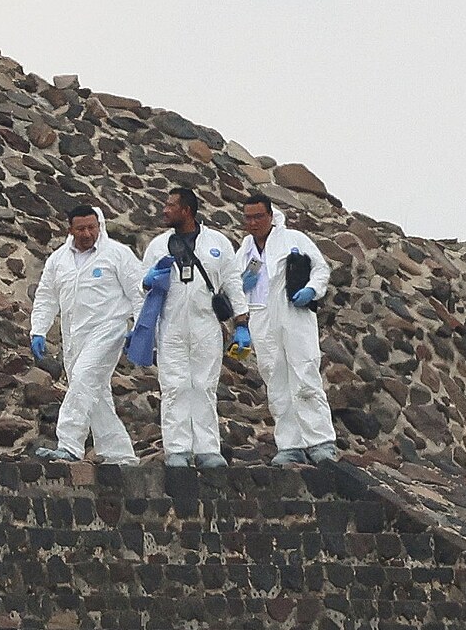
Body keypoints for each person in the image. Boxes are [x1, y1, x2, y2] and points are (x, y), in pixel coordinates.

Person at [140, 187, 249, 469]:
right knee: (174, 387)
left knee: (203, 386)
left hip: (206, 326)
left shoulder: (218, 243)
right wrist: (146, 283)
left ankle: (207, 449)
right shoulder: (158, 245)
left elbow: (233, 284)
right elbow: (142, 288)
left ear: (186, 210)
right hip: (172, 326)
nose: (165, 210)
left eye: (170, 205)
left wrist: (241, 324)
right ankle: (177, 449)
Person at [27, 205, 143, 465]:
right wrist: (38, 330)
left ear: (99, 226)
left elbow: (139, 292)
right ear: (70, 230)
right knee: (95, 392)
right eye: (81, 228)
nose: (87, 233)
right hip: (74, 334)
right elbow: (46, 296)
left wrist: (140, 328)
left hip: (108, 329)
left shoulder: (117, 255)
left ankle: (69, 445)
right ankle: (119, 454)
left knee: (83, 379)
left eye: (92, 227)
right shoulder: (58, 260)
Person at [235, 194, 337, 466]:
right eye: (248, 218)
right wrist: (241, 320)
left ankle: (320, 441)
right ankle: (290, 444)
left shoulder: (294, 239)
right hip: (261, 317)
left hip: (293, 313)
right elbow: (233, 286)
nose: (253, 223)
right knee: (275, 378)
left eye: (258, 217)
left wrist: (312, 290)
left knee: (304, 373)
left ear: (270, 215)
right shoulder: (245, 248)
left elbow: (320, 268)